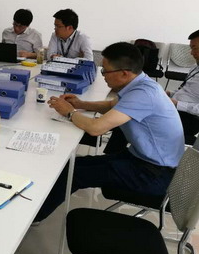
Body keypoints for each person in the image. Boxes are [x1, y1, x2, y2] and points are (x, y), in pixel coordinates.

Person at [36, 42, 184, 222]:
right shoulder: (140, 84)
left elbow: (96, 128)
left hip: (154, 174)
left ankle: (34, 217)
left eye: (105, 71)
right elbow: (111, 105)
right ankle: (38, 204)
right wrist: (81, 104)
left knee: (74, 173)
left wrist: (69, 112)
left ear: (124, 73)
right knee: (72, 164)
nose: (103, 75)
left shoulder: (143, 94)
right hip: (141, 159)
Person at [168, 29, 199, 145]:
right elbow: (186, 90)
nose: (191, 53)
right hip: (175, 110)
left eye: (194, 48)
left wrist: (177, 104)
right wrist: (170, 93)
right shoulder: (195, 67)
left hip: (189, 119)